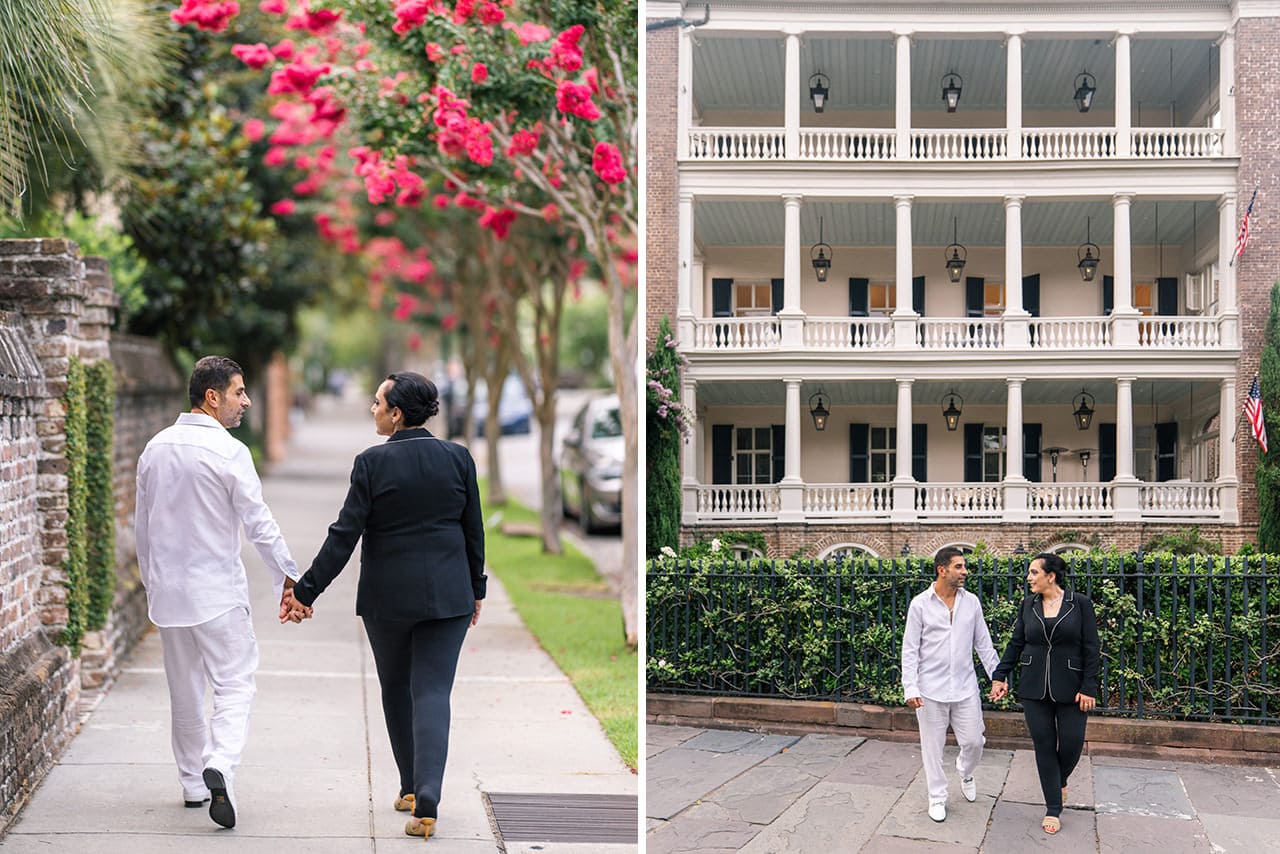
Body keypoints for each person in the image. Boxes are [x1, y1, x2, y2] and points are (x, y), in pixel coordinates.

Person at [282, 371, 486, 841]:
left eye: (378, 402)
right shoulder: (458, 459)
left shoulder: (371, 464)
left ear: (396, 413)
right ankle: (425, 797)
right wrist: (476, 588)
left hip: (388, 600)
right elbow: (473, 531)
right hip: (449, 597)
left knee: (397, 688)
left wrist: (305, 592)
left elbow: (344, 535)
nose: (372, 409)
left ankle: (414, 789)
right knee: (432, 692)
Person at [136, 355, 303, 829]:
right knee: (235, 682)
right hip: (217, 594)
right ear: (212, 397)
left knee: (185, 691)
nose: (246, 401)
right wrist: (289, 578)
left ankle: (192, 783)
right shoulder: (230, 452)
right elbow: (259, 524)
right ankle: (221, 764)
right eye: (239, 392)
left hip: (170, 595)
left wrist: (153, 585)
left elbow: (142, 528)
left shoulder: (155, 448)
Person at [990, 552, 1100, 835]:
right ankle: (1053, 807)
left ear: (1050, 576)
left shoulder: (1081, 604)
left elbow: (1091, 648)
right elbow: (1016, 642)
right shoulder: (1028, 605)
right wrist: (1000, 676)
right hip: (1033, 685)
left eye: (1033, 572)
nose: (1029, 578)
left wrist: (1089, 686)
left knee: (1072, 744)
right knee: (1044, 746)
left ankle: (1058, 781)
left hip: (1072, 686)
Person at [901, 547, 1000, 823]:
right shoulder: (920, 604)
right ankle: (937, 797)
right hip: (929, 689)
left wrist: (997, 676)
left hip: (965, 687)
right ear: (941, 569)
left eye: (964, 566)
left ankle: (965, 771)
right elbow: (910, 650)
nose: (965, 571)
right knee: (932, 748)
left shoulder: (972, 603)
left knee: (974, 741)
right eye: (958, 566)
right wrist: (910, 687)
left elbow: (983, 643)